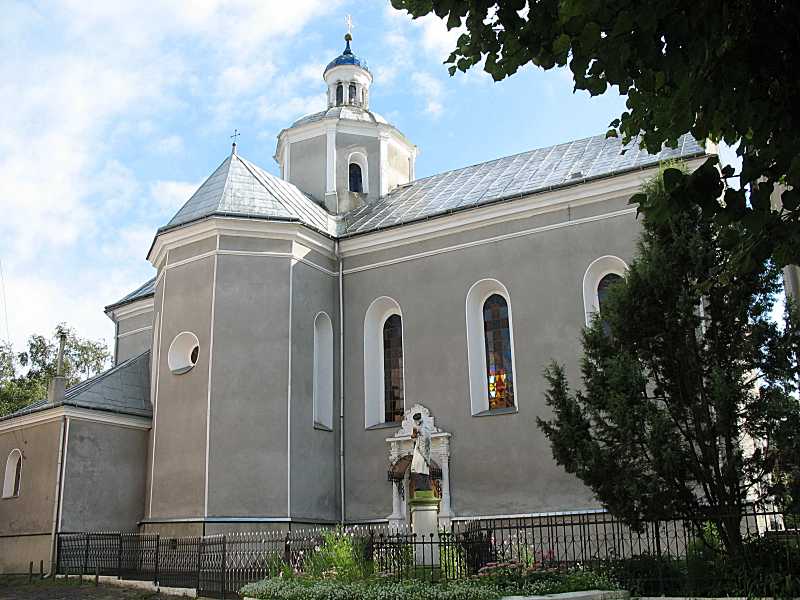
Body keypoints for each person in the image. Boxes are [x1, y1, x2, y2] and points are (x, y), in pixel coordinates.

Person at [410, 412, 432, 493]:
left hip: (423, 451)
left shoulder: (425, 426)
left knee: (422, 466)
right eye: (415, 421)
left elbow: (427, 438)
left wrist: (420, 432)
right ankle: (419, 485)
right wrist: (414, 435)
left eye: (417, 420)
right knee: (415, 465)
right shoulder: (416, 427)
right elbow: (414, 439)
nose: (416, 422)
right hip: (418, 448)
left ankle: (424, 486)